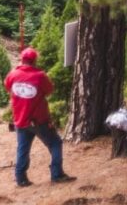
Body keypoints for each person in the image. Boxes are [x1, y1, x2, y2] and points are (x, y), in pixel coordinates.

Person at [5, 47, 76, 188]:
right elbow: (49, 90)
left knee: (22, 149)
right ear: (35, 60)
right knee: (55, 143)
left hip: (20, 120)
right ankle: (57, 174)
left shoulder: (13, 74)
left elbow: (8, 87)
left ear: (22, 59)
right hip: (38, 120)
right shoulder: (40, 76)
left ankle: (21, 179)